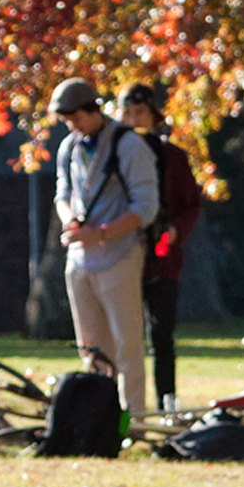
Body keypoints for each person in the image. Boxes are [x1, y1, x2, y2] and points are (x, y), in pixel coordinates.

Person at [49, 77, 159, 412]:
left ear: (93, 109)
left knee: (126, 345)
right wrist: (70, 219)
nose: (74, 127)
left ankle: (134, 420)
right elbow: (62, 194)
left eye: (77, 118)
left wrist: (101, 233)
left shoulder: (129, 145)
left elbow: (146, 207)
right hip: (80, 258)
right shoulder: (69, 146)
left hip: (119, 255)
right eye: (67, 122)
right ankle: (97, 418)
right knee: (92, 348)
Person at [111, 82, 202, 411]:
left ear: (154, 115)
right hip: (119, 256)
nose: (134, 119)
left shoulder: (173, 157)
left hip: (161, 259)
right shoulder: (112, 155)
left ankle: (167, 406)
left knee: (161, 334)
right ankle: (120, 409)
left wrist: (176, 231)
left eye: (140, 112)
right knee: (122, 339)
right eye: (127, 112)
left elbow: (190, 204)